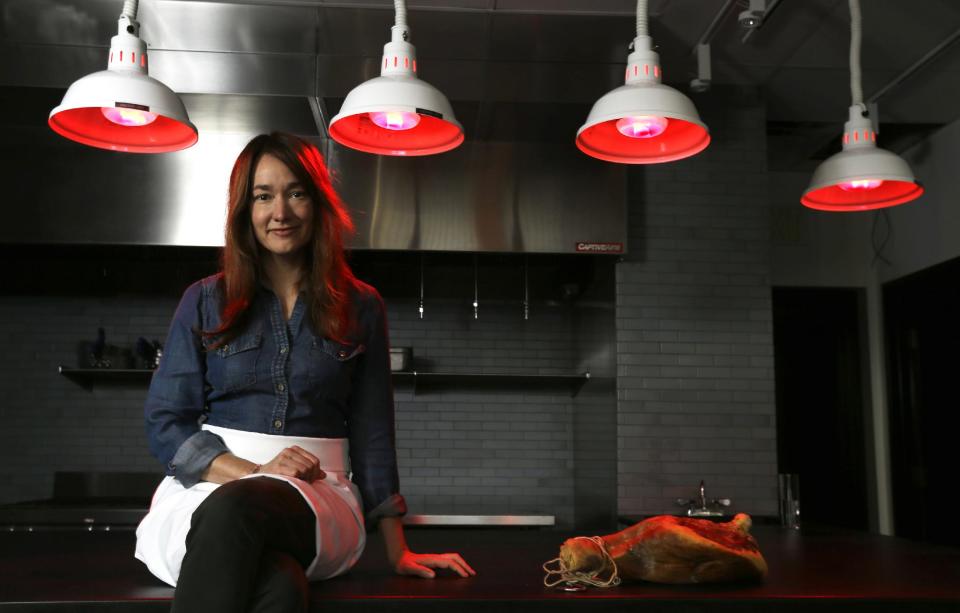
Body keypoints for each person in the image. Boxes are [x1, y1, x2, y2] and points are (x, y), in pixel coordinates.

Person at [135, 132, 475, 612]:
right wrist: (254, 473)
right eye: (263, 196)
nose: (281, 212)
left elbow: (373, 433)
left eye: (296, 193)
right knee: (278, 585)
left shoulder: (361, 306)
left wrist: (399, 551)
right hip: (209, 490)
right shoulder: (203, 300)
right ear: (243, 210)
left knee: (240, 512)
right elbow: (165, 422)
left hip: (317, 497)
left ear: (317, 203)